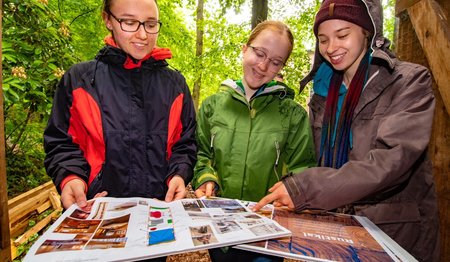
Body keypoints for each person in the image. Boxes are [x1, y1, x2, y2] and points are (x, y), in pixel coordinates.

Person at [253, 0, 440, 261]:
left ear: (367, 32)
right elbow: (314, 160)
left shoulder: (408, 81)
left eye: (342, 35)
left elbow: (390, 162)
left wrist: (306, 190)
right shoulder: (321, 93)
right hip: (334, 234)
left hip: (394, 235)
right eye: (323, 39)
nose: (331, 48)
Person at [44, 0, 197, 212]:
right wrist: (71, 178)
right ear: (108, 20)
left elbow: (185, 144)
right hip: (97, 208)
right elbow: (61, 143)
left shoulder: (176, 85)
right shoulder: (79, 80)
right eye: (129, 22)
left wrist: (179, 174)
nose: (143, 35)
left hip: (159, 210)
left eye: (150, 25)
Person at [192, 20, 316, 261]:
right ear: (244, 49)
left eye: (276, 62)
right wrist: (205, 178)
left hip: (267, 235)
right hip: (221, 229)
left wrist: (292, 189)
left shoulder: (291, 114)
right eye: (259, 53)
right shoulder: (212, 107)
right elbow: (201, 155)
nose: (263, 65)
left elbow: (303, 167)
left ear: (282, 66)